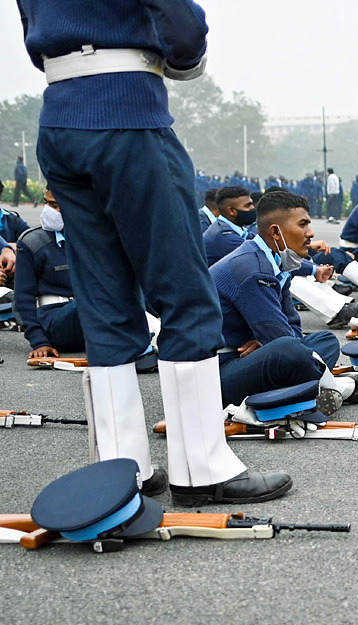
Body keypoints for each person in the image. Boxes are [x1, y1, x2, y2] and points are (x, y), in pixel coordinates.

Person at [20, 0, 290, 505]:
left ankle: (122, 473)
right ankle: (201, 469)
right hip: (125, 111)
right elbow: (183, 33)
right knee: (185, 297)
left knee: (103, 301)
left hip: (59, 118)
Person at [211, 190, 358, 409]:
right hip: (216, 375)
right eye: (303, 225)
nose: (310, 233)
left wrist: (264, 342)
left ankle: (300, 387)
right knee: (289, 351)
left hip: (247, 356)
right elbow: (285, 341)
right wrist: (272, 343)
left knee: (326, 341)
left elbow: (292, 327)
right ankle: (333, 387)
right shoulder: (253, 270)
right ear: (276, 231)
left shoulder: (273, 261)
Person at [14, 187, 85, 357]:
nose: (48, 210)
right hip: (55, 320)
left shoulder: (94, 239)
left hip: (92, 320)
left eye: (55, 205)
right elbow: (23, 298)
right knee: (90, 300)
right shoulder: (32, 242)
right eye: (47, 203)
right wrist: (39, 341)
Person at [203, 185, 256, 265]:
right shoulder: (223, 236)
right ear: (231, 211)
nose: (252, 208)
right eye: (248, 205)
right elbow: (259, 259)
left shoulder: (237, 230)